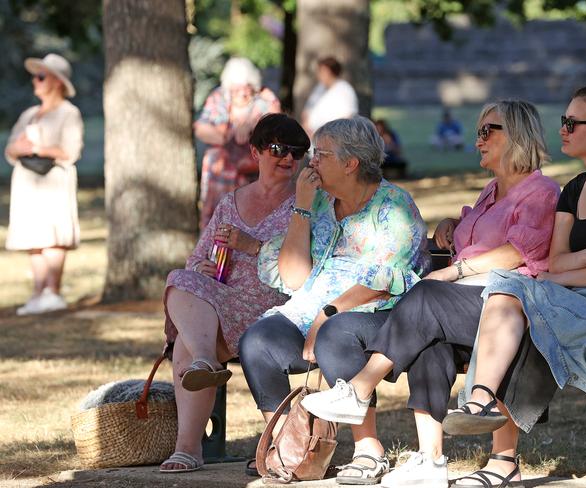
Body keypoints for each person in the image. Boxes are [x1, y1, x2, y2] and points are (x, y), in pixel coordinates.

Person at [301, 100, 561, 488]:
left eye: (489, 131)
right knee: (428, 341)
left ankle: (359, 388)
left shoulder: (540, 191)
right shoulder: (492, 191)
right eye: (477, 131)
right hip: (466, 302)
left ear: (518, 137)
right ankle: (431, 460)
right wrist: (452, 224)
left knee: (425, 297)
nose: (478, 140)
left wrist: (453, 270)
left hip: (507, 304)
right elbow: (481, 235)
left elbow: (519, 251)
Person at [443, 85, 586, 488]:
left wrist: (566, 272)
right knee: (510, 293)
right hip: (579, 298)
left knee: (515, 294)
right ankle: (482, 407)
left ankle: (496, 442)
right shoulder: (574, 189)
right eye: (563, 122)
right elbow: (554, 263)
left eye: (573, 123)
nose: (564, 130)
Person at [238, 116, 431, 480]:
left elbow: (386, 281)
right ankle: (289, 447)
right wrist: (302, 206)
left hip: (376, 312)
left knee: (336, 333)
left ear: (350, 163)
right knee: (257, 341)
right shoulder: (323, 203)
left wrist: (329, 313)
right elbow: (294, 276)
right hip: (312, 310)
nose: (310, 163)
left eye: (320, 155)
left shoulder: (393, 207)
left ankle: (368, 450)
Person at [159, 113, 310, 473]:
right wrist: (202, 269)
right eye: (278, 149)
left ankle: (189, 445)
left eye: (297, 152)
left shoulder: (303, 205)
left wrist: (253, 245)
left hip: (275, 307)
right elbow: (197, 258)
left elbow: (301, 268)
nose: (288, 158)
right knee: (181, 277)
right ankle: (204, 363)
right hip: (223, 303)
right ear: (256, 153)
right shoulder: (230, 203)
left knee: (189, 340)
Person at [4, 53, 84, 315]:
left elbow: (71, 151)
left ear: (57, 82)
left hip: (54, 180)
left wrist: (39, 148)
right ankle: (38, 293)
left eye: (41, 76)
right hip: (27, 181)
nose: (35, 81)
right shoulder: (29, 114)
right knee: (34, 237)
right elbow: (10, 149)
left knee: (53, 236)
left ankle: (53, 291)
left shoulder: (69, 113)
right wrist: (19, 147)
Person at [194, 57, 281, 230]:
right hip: (221, 173)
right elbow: (200, 128)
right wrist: (227, 134)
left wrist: (253, 128)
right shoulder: (219, 97)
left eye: (246, 87)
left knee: (250, 218)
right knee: (217, 219)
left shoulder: (265, 99)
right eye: (236, 88)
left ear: (253, 84)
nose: (242, 92)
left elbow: (278, 129)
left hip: (254, 172)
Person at [301, 56, 359, 136]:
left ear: (329, 71)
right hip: (312, 139)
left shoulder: (345, 89)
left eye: (322, 71)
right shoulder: (319, 88)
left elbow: (348, 118)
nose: (318, 75)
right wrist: (306, 129)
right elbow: (306, 112)